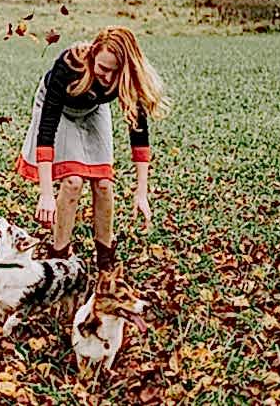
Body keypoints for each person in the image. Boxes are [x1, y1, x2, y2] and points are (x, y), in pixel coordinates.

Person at [15, 27, 169, 272]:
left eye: (114, 71)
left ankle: (105, 259)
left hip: (93, 109)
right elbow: (47, 130)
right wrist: (46, 194)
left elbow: (139, 134)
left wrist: (142, 192)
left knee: (104, 183)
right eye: (103, 68)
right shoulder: (69, 65)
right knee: (73, 181)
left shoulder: (125, 78)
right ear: (93, 55)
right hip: (59, 109)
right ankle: (59, 258)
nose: (108, 78)